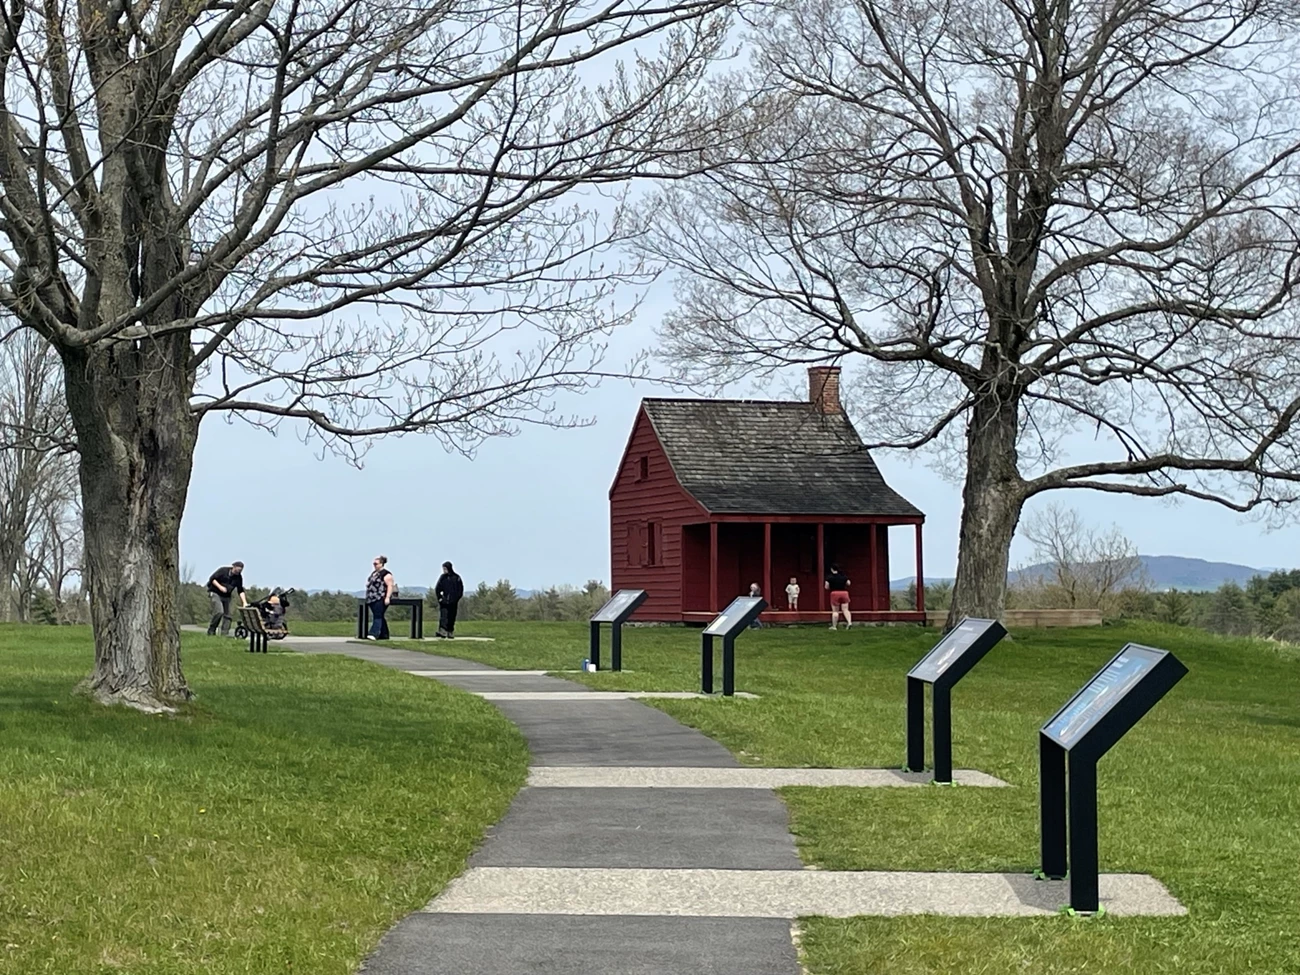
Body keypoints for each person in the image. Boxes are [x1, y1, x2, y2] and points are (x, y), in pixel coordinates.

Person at [206, 561, 248, 637]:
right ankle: (211, 630)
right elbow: (212, 579)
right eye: (237, 570)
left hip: (227, 596)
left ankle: (224, 634)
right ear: (233, 567)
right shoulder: (223, 571)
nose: (238, 572)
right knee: (219, 612)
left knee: (228, 615)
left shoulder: (238, 578)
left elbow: (240, 590)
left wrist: (244, 602)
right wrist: (220, 587)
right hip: (216, 593)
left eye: (240, 571)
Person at [365, 555, 395, 640]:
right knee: (380, 616)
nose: (374, 565)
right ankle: (384, 634)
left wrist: (387, 597)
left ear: (381, 564)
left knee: (377, 616)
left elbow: (390, 586)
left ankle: (373, 633)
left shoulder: (386, 574)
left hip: (380, 598)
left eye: (376, 563)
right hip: (372, 597)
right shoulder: (374, 573)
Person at [435, 561, 465, 639]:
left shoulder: (456, 578)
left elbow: (460, 589)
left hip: (453, 601)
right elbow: (438, 588)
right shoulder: (443, 577)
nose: (444, 570)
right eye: (443, 569)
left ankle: (450, 631)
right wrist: (440, 598)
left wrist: (456, 598)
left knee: (452, 616)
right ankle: (442, 631)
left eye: (445, 568)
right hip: (444, 601)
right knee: (443, 616)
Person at [825, 564, 852, 630]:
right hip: (844, 593)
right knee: (845, 609)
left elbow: (826, 587)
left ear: (832, 569)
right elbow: (849, 583)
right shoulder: (843, 576)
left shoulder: (829, 577)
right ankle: (849, 622)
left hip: (835, 593)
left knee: (835, 611)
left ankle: (834, 626)